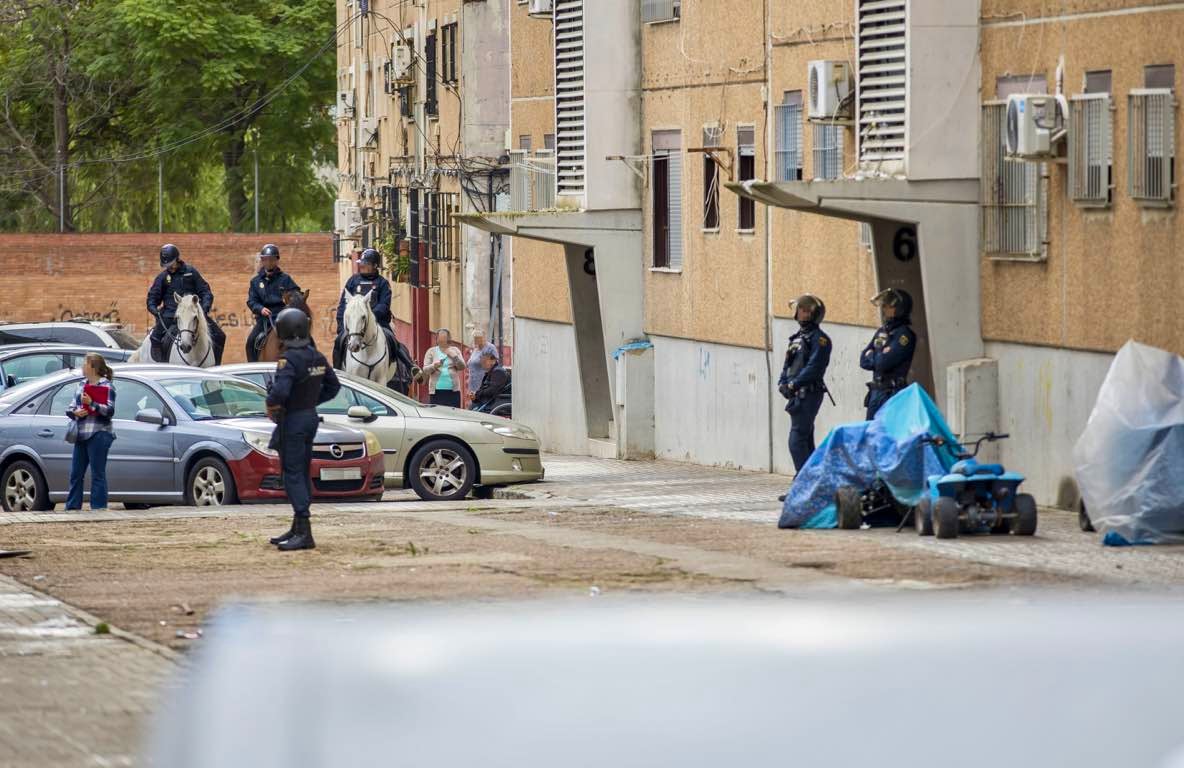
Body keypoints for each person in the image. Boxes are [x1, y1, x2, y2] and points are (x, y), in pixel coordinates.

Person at [266, 308, 341, 552]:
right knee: (302, 470)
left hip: (294, 422)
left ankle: (305, 532)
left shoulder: (288, 360)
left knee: (293, 474)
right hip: (309, 418)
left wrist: (271, 403)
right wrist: (310, 402)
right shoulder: (316, 356)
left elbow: (280, 392)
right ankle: (297, 527)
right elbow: (334, 386)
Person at [333, 248, 416, 380]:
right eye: (362, 263)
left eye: (366, 263)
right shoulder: (352, 281)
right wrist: (341, 327)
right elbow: (343, 305)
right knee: (339, 341)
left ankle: (411, 367)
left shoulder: (382, 283)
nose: (362, 265)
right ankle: (337, 373)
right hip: (355, 325)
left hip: (379, 323)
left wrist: (371, 316)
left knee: (392, 340)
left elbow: (384, 305)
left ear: (375, 266)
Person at [147, 243, 226, 365]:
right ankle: (164, 366)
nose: (169, 267)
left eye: (171, 264)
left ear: (177, 259)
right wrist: (154, 310)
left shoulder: (191, 272)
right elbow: (152, 299)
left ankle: (216, 366)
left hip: (193, 314)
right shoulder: (163, 277)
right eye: (166, 265)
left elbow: (206, 292)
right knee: (155, 338)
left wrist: (203, 310)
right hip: (170, 315)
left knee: (220, 336)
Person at [779, 294, 832, 475]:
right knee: (806, 440)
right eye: (799, 309)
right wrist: (783, 383)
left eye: (803, 309)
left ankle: (802, 484)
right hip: (797, 394)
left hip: (809, 393)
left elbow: (814, 368)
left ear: (812, 313)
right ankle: (812, 483)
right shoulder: (797, 338)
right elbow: (788, 365)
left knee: (796, 440)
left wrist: (794, 384)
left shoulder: (820, 339)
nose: (799, 312)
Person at [65, 354, 117, 512]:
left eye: (84, 364)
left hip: (99, 433)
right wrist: (76, 412)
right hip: (81, 433)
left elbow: (109, 410)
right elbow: (70, 407)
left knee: (97, 473)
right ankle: (73, 507)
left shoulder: (107, 386)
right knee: (76, 473)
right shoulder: (81, 384)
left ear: (92, 367)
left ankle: (98, 507)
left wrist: (92, 404)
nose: (82, 367)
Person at [860, 287, 917, 421]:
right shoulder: (882, 331)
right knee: (870, 433)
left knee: (887, 432)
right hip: (876, 392)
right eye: (883, 305)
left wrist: (873, 354)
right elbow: (863, 360)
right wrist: (880, 353)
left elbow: (883, 363)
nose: (884, 309)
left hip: (891, 393)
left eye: (888, 306)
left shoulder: (904, 335)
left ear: (900, 308)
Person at [245, 243, 302, 362]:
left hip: (283, 318)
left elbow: (295, 294)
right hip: (265, 320)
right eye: (266, 259)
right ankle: (254, 370)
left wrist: (290, 302)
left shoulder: (285, 279)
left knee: (304, 338)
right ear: (262, 261)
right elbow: (252, 301)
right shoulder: (255, 282)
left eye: (272, 259)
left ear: (277, 260)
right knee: (250, 342)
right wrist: (260, 309)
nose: (269, 262)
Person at [422, 328, 465, 407]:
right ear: (437, 339)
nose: (441, 340)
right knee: (437, 414)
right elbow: (425, 370)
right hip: (436, 391)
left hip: (453, 391)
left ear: (448, 339)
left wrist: (454, 357)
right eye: (439, 338)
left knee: (453, 415)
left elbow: (462, 367)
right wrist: (434, 366)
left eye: (444, 338)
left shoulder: (455, 350)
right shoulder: (431, 351)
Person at [466, 329, 498, 401]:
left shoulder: (490, 348)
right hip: (473, 384)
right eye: (474, 337)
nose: (475, 339)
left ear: (483, 337)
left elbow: (494, 364)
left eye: (477, 337)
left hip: (483, 384)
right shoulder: (476, 349)